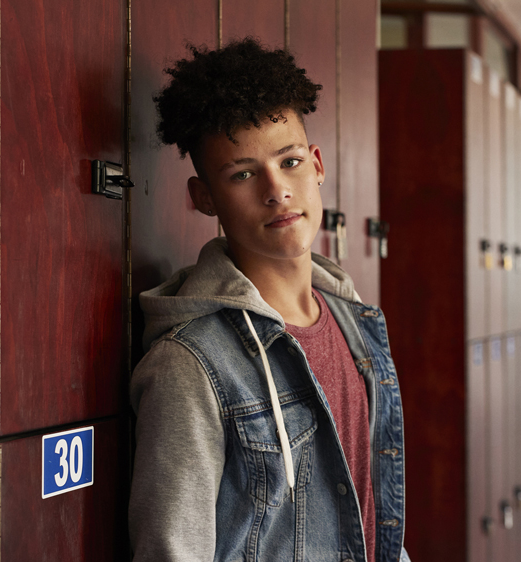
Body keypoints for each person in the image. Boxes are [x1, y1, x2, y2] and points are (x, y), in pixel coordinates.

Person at [127, 39, 409, 562]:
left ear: (317, 165)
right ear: (203, 197)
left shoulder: (356, 324)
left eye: (291, 161)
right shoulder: (189, 366)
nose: (277, 190)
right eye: (243, 173)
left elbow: (374, 520)